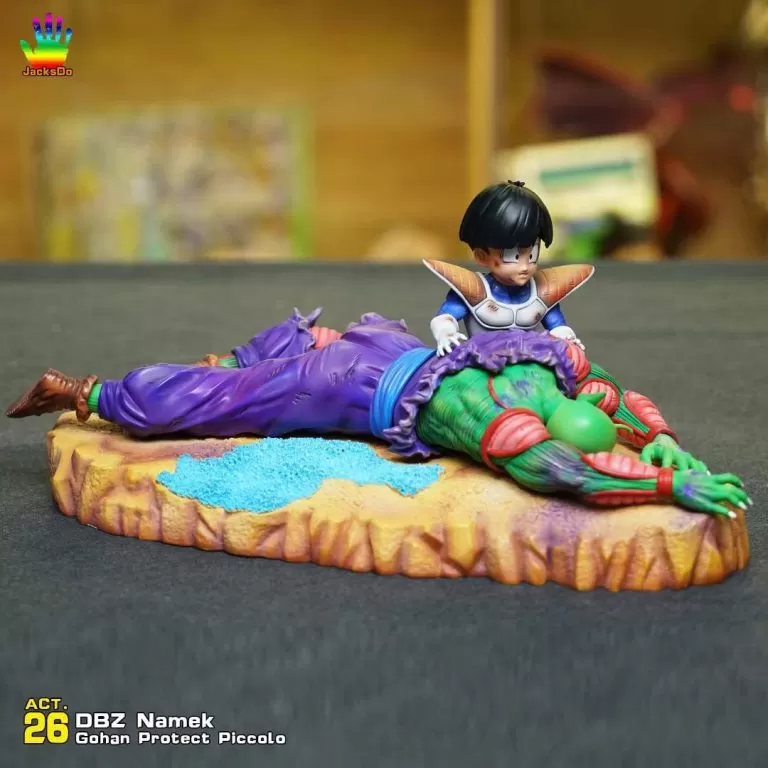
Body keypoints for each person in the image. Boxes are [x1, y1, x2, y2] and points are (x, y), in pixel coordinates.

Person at [6, 308, 749, 519]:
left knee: (255, 375)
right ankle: (83, 392)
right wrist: (668, 478)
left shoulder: (544, 370)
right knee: (221, 402)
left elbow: (613, 406)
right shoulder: (503, 417)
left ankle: (259, 351)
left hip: (385, 344)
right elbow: (565, 472)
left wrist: (665, 443)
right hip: (346, 385)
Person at [426, 180, 592, 356]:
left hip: (529, 360)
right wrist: (446, 332)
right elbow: (445, 317)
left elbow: (558, 326)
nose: (525, 266)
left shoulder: (541, 293)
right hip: (483, 361)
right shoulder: (474, 291)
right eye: (513, 256)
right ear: (482, 256)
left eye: (532, 255)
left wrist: (565, 337)